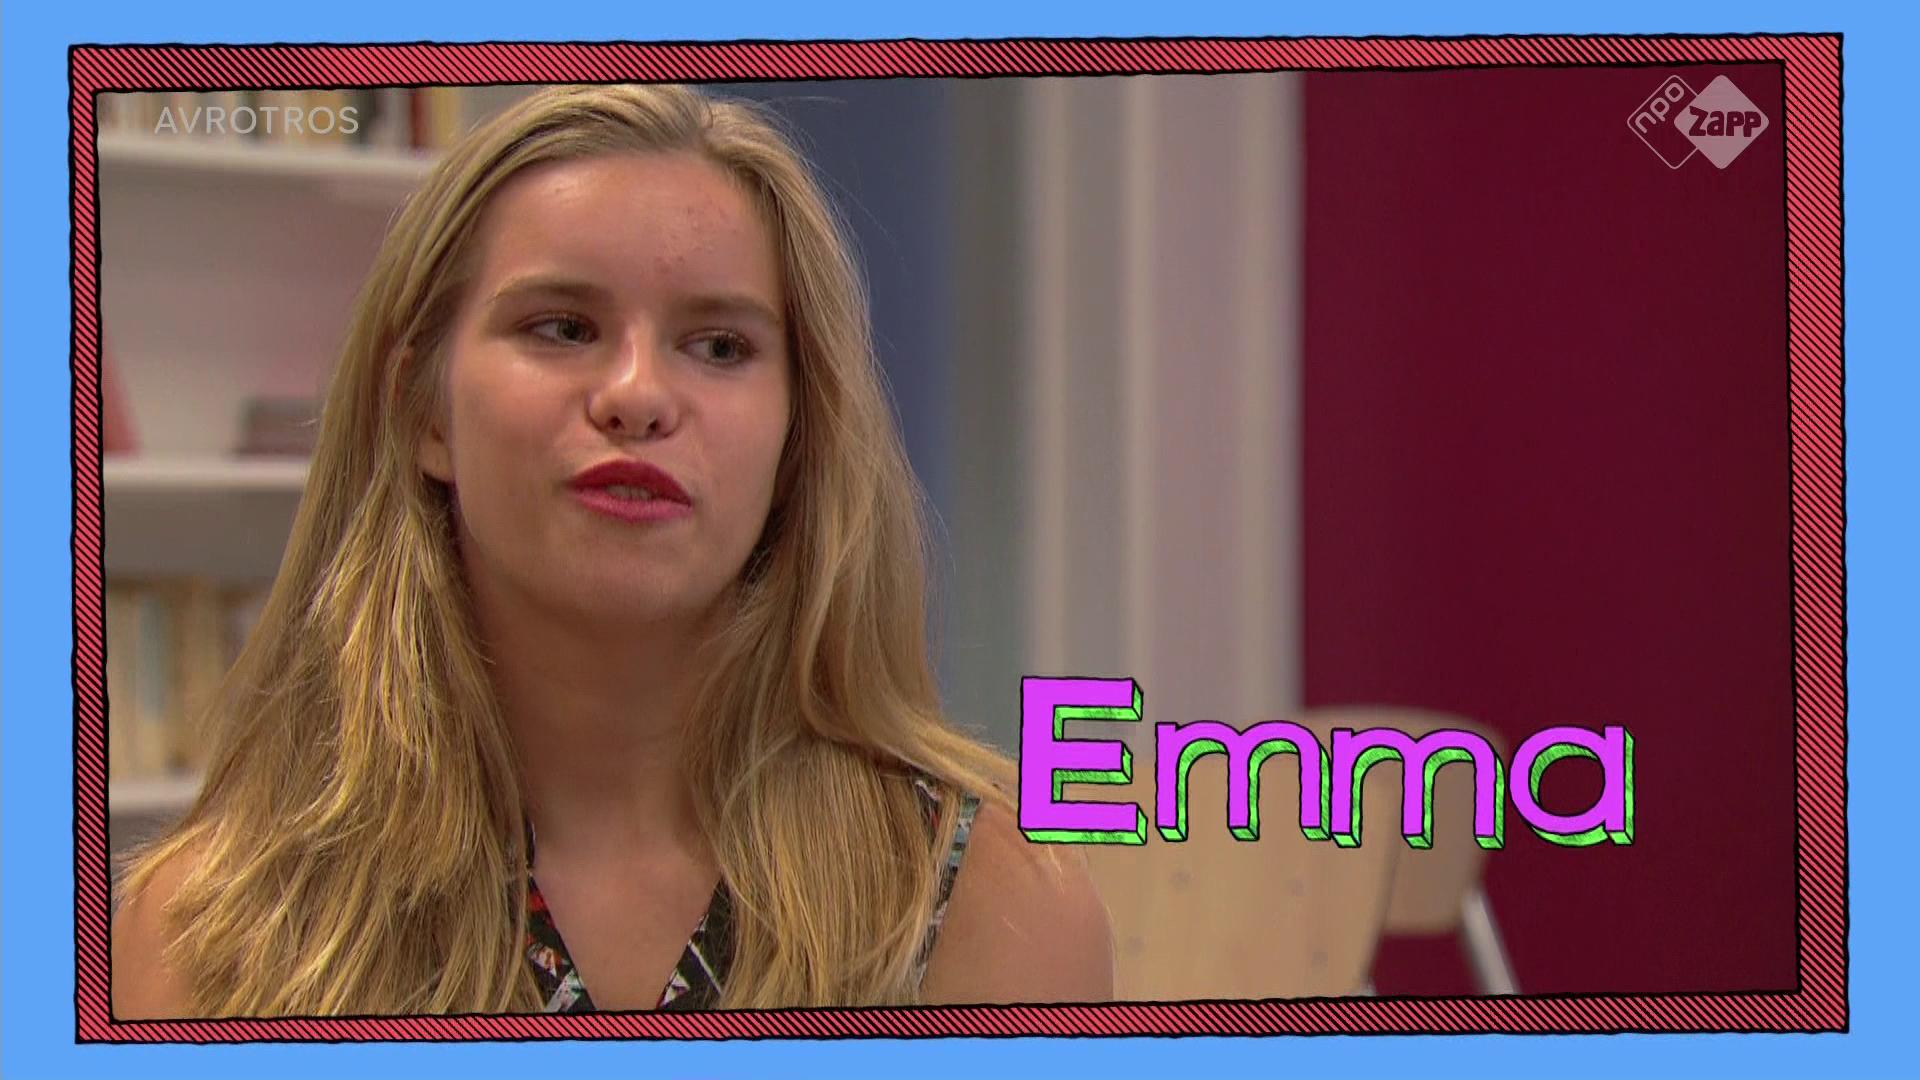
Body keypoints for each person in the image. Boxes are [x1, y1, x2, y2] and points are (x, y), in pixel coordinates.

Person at [111, 83, 1112, 1017]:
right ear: (424, 410)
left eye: (719, 347)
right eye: (563, 328)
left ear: (798, 434)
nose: (638, 394)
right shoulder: (215, 928)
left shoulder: (986, 899)